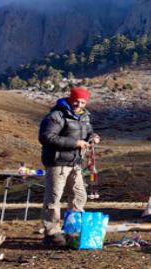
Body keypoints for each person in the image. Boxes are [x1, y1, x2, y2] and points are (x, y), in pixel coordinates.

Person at [38, 87, 100, 246]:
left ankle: (73, 228)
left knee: (79, 195)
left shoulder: (84, 117)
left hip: (75, 163)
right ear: (70, 99)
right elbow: (46, 137)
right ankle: (51, 233)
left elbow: (89, 132)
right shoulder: (56, 115)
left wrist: (93, 137)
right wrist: (75, 143)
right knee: (54, 198)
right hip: (57, 163)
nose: (79, 105)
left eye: (82, 102)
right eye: (76, 101)